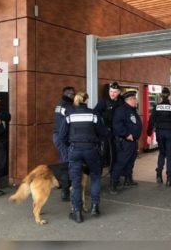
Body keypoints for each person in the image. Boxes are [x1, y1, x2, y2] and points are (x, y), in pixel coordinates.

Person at [58, 91, 106, 223]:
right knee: (95, 177)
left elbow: (61, 137)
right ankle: (95, 207)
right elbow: (103, 133)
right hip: (91, 150)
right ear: (87, 100)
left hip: (75, 150)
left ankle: (77, 213)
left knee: (76, 182)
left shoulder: (70, 115)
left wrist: (70, 147)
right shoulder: (93, 114)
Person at [147, 87, 171, 187]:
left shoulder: (156, 107)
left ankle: (159, 175)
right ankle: (169, 179)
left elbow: (151, 121)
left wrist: (148, 134)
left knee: (161, 153)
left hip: (159, 133)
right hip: (169, 133)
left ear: (161, 96)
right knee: (169, 155)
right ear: (169, 96)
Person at [110, 90, 143, 194]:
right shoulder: (121, 110)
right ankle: (113, 184)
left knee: (130, 161)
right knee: (121, 162)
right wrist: (126, 134)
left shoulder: (132, 110)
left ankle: (128, 180)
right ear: (129, 100)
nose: (136, 100)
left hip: (133, 141)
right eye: (134, 99)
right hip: (125, 142)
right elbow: (117, 125)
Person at [94, 82, 124, 170]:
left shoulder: (121, 102)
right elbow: (95, 114)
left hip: (119, 131)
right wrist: (102, 128)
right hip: (107, 131)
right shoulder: (103, 101)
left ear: (119, 92)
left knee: (118, 152)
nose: (112, 94)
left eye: (114, 92)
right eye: (111, 91)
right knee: (106, 152)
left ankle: (116, 171)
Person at [52, 86, 75, 201]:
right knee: (67, 164)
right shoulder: (68, 107)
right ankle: (65, 191)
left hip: (57, 137)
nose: (74, 96)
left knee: (63, 161)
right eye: (72, 94)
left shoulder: (59, 105)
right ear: (68, 94)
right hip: (63, 138)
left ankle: (61, 183)